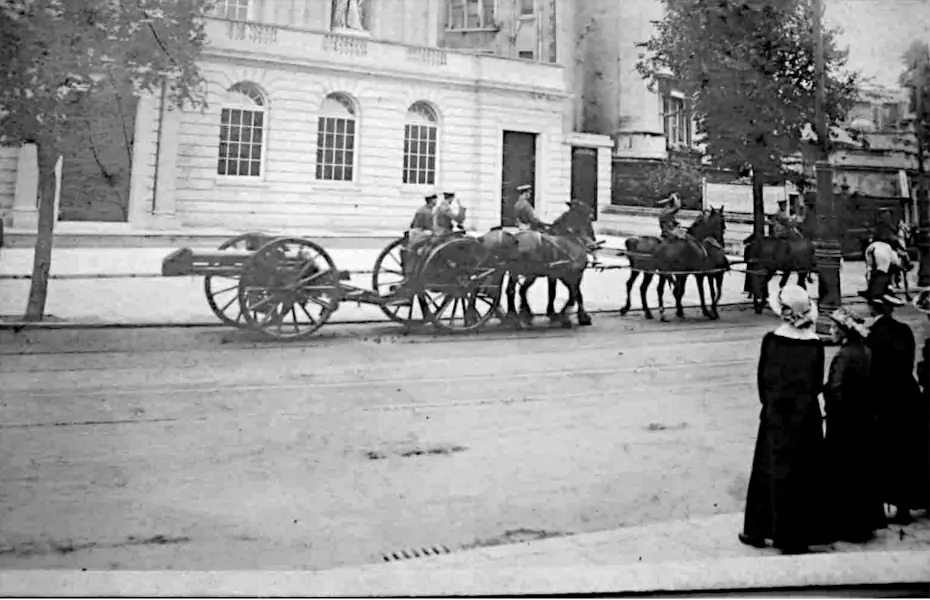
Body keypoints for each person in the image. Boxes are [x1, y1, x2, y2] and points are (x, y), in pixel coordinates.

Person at [739, 284, 832, 554]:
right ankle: (802, 534)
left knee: (768, 473)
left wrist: (772, 404)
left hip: (776, 415)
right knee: (805, 475)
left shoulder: (772, 341)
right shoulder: (815, 345)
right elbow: (816, 383)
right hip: (806, 419)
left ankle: (759, 530)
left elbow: (763, 380)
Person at [822, 307, 887, 542]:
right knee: (863, 471)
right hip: (865, 420)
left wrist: (829, 407)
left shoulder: (843, 355)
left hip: (845, 423)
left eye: (833, 328)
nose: (830, 331)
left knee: (843, 472)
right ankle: (864, 523)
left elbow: (835, 389)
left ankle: (846, 525)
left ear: (844, 332)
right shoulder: (865, 351)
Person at [865, 292, 926, 523]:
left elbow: (873, 370)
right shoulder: (904, 331)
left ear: (874, 308)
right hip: (907, 395)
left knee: (885, 452)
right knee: (907, 452)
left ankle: (882, 506)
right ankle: (905, 506)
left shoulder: (872, 335)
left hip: (884, 399)